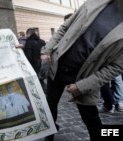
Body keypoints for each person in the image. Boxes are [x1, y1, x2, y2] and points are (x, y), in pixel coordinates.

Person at [41, 0, 123, 140]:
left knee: (92, 121)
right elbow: (64, 28)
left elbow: (117, 67)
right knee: (49, 109)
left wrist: (82, 86)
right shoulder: (94, 2)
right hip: (57, 67)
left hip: (85, 79)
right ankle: (49, 137)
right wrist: (47, 51)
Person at [23, 28, 46, 93]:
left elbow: (28, 57)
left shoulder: (28, 43)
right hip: (43, 65)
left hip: (34, 67)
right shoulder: (42, 41)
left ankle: (47, 95)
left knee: (39, 83)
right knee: (41, 81)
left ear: (28, 34)